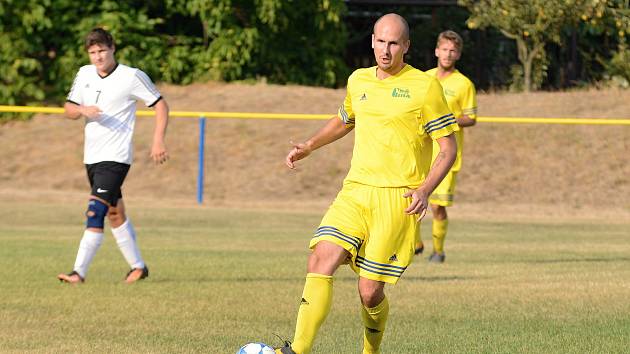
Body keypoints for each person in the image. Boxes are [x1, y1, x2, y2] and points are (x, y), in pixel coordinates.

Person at [276, 13, 458, 354]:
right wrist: (310, 145)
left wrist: (424, 190)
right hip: (355, 191)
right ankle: (295, 351)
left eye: (393, 43)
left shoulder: (425, 87)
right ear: (372, 41)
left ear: (406, 46)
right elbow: (346, 120)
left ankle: (370, 350)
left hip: (396, 200)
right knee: (320, 259)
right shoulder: (358, 80)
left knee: (369, 291)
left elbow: (448, 148)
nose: (385, 50)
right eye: (380, 41)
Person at [57, 28, 169, 284]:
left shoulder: (131, 76)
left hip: (116, 158)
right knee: (115, 213)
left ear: (113, 48)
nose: (97, 57)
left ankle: (78, 272)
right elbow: (68, 109)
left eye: (102, 51)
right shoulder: (84, 73)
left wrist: (157, 139)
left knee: (94, 212)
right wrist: (82, 109)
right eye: (93, 52)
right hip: (92, 157)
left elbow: (160, 104)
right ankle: (138, 267)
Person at [414, 30, 477, 263]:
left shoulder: (464, 84)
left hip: (447, 154)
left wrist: (446, 119)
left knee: (438, 206)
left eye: (453, 50)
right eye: (444, 49)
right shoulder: (424, 78)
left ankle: (438, 251)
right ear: (436, 51)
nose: (448, 54)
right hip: (422, 152)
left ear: (458, 54)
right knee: (412, 199)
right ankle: (416, 244)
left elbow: (471, 117)